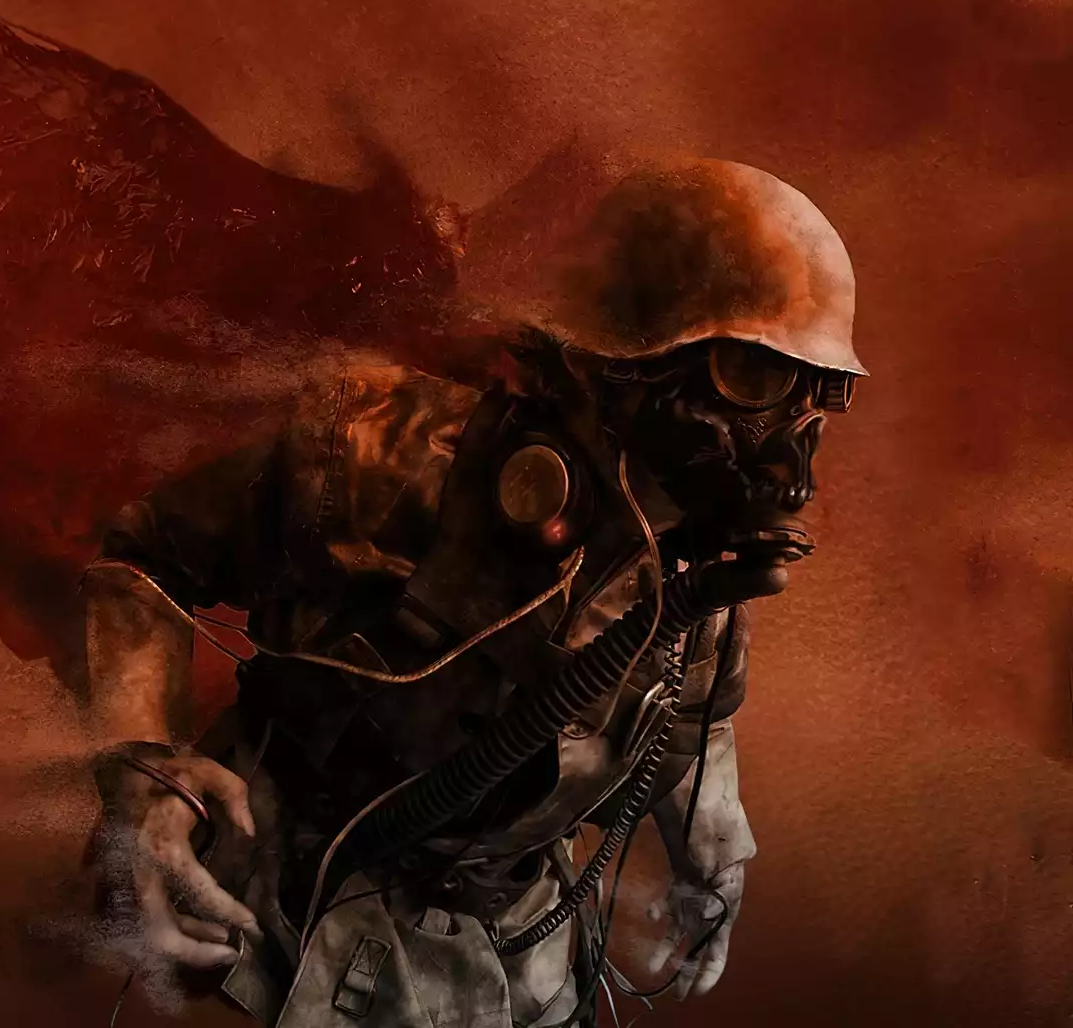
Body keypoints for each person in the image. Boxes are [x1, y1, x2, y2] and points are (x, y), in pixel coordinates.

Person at [82, 157, 865, 1027]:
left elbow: (692, 719)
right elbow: (144, 559)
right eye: (751, 379)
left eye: (819, 396)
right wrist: (139, 769)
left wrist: (713, 861)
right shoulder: (380, 454)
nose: (786, 444)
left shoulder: (687, 583)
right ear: (628, 357)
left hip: (514, 967)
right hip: (268, 931)